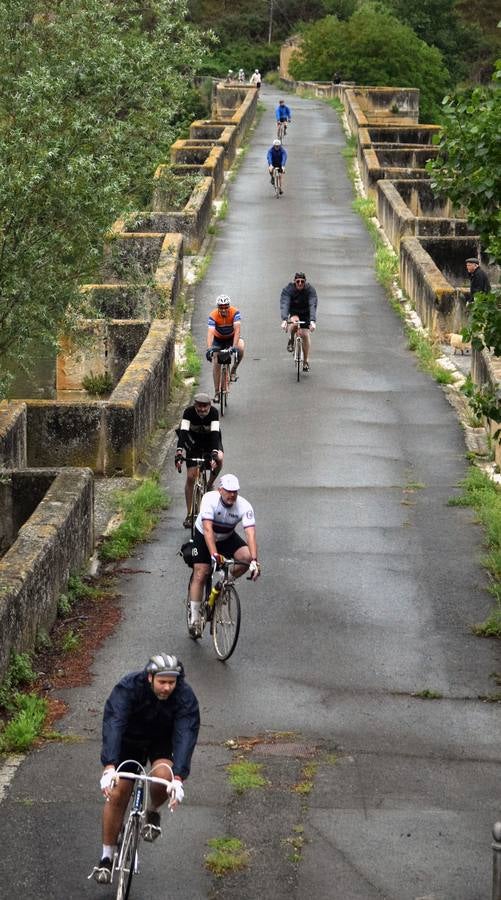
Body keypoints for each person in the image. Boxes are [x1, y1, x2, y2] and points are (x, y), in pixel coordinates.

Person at [90, 653, 200, 885]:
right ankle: (106, 858)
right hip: (130, 741)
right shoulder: (128, 688)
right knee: (118, 791)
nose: (168, 688)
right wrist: (109, 766)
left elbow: (186, 734)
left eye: (172, 682)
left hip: (161, 743)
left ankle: (152, 811)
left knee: (162, 778)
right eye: (163, 682)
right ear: (150, 677)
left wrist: (178, 777)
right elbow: (114, 722)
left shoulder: (184, 697)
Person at [187, 473, 260, 638]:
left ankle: (223, 582)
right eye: (228, 491)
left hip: (226, 536)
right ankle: (195, 618)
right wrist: (214, 554)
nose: (232, 495)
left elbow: (250, 534)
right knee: (202, 572)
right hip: (204, 535)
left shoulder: (244, 506)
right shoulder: (209, 499)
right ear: (220, 490)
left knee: (246, 558)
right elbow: (207, 530)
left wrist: (255, 561)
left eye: (235, 491)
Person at [175, 392, 224, 529]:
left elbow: (215, 434)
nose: (202, 410)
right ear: (195, 405)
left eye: (205, 407)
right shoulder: (188, 412)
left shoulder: (214, 413)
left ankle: (209, 484)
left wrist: (214, 452)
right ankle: (190, 514)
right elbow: (183, 433)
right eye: (199, 407)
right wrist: (179, 452)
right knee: (191, 477)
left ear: (210, 405)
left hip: (210, 442)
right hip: (194, 443)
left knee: (219, 458)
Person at [206, 294, 245, 401]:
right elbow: (210, 333)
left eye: (226, 307)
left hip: (231, 338)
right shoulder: (213, 315)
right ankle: (217, 393)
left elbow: (237, 330)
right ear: (218, 307)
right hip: (218, 340)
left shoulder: (235, 312)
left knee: (241, 347)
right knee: (216, 362)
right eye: (221, 307)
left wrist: (234, 346)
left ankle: (233, 371)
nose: (223, 310)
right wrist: (209, 349)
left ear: (229, 306)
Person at [280, 272, 318, 372]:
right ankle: (291, 339)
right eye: (298, 281)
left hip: (306, 314)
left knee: (305, 334)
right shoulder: (288, 290)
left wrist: (313, 321)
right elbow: (285, 304)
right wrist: (284, 319)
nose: (300, 283)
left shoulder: (310, 290)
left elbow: (312, 304)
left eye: (302, 282)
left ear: (305, 282)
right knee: (294, 323)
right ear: (294, 282)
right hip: (294, 312)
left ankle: (305, 362)